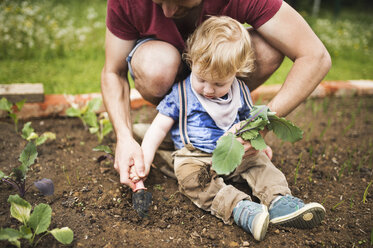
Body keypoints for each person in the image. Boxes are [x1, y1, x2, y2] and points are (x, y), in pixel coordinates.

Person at [100, 0, 331, 190]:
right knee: (156, 66)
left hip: (217, 66)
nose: (168, 12)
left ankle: (213, 125)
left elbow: (315, 56)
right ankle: (177, 128)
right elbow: (113, 72)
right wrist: (124, 136)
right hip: (163, 65)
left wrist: (259, 126)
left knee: (268, 49)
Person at [135, 16, 325, 241]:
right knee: (191, 179)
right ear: (192, 61)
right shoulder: (182, 94)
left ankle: (279, 200)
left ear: (236, 72)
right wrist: (145, 156)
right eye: (202, 79)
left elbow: (251, 123)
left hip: (235, 152)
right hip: (196, 156)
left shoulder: (240, 92)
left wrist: (259, 145)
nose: (208, 89)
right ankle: (239, 208)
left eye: (219, 84)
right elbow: (157, 128)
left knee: (262, 164)